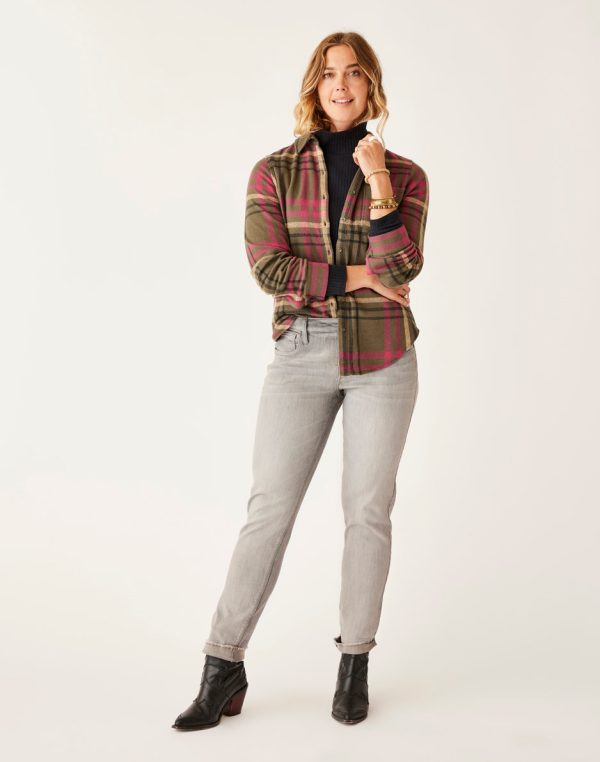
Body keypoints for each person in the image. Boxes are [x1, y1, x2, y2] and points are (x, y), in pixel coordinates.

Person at [172, 30, 429, 731]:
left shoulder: (406, 175)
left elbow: (404, 268)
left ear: (371, 85)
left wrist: (378, 183)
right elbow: (270, 269)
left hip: (385, 355)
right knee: (269, 510)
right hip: (302, 350)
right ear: (315, 86)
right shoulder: (274, 172)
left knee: (367, 512)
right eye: (328, 73)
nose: (340, 85)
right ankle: (222, 666)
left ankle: (354, 665)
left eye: (354, 73)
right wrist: (360, 275)